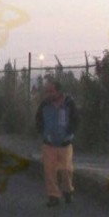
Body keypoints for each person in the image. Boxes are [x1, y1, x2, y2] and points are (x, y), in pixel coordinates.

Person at [35, 79, 79, 207]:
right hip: (49, 144)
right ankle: (53, 196)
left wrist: (70, 134)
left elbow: (76, 120)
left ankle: (67, 190)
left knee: (66, 169)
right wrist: (43, 134)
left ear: (58, 92)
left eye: (51, 91)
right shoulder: (44, 105)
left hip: (65, 144)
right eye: (47, 91)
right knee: (50, 171)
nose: (48, 94)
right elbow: (38, 120)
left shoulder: (69, 104)